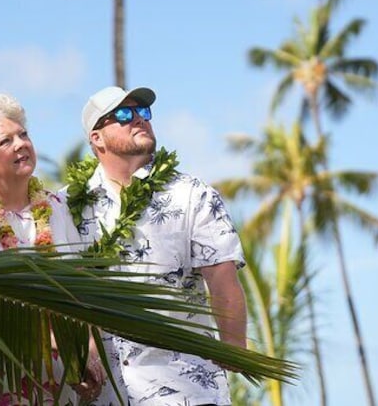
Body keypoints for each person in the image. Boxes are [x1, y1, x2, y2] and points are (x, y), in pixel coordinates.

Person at [65, 86, 247, 406]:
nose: (138, 119)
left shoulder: (192, 195)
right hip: (105, 395)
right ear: (97, 138)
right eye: (123, 114)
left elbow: (222, 278)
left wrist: (234, 348)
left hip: (185, 389)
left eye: (143, 112)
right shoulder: (68, 206)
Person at [0, 93, 104, 405]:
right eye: (5, 141)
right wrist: (59, 339)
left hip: (63, 378)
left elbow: (79, 288)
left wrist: (89, 354)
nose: (21, 144)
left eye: (24, 135)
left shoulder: (56, 207)